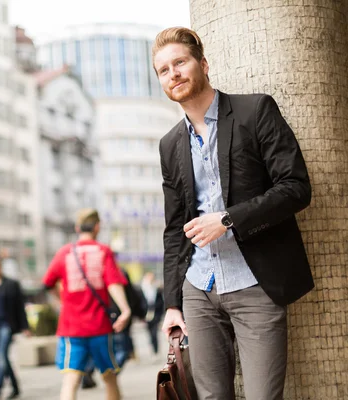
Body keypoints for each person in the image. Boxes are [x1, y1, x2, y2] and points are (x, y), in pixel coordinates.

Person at [153, 27, 314, 400]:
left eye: (180, 62)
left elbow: (295, 187)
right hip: (199, 289)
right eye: (163, 70)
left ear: (203, 64)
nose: (173, 73)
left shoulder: (254, 110)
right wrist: (173, 304)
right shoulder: (169, 144)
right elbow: (175, 228)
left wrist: (227, 218)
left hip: (255, 283)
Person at [43, 208, 131, 400]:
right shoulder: (103, 251)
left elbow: (48, 282)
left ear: (77, 227)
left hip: (71, 328)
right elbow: (113, 283)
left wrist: (62, 301)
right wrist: (125, 309)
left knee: (71, 380)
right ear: (97, 227)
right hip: (99, 326)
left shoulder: (64, 252)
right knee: (110, 377)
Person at [0, 256, 30, 400]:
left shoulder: (11, 284)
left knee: (2, 357)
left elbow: (20, 307)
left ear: (0, 267)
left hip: (7, 325)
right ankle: (15, 387)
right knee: (4, 358)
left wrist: (24, 326)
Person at [141, 271, 164, 355]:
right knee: (149, 333)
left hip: (155, 314)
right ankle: (152, 348)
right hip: (146, 315)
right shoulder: (142, 288)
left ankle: (156, 350)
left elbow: (161, 303)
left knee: (154, 333)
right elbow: (140, 302)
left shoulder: (157, 289)